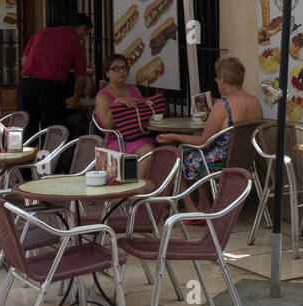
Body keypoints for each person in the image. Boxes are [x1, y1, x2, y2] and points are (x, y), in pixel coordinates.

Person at [156, 57, 261, 209]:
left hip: (220, 163)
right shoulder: (254, 101)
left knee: (177, 155)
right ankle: (204, 204)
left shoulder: (224, 104)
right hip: (246, 161)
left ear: (222, 79)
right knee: (198, 155)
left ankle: (191, 207)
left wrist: (174, 136)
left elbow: (203, 141)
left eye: (217, 78)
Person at [17, 13, 92, 141]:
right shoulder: (75, 44)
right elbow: (80, 80)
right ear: (81, 28)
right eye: (86, 34)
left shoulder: (41, 33)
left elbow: (24, 62)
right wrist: (76, 98)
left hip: (26, 84)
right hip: (50, 88)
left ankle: (28, 158)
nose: (83, 38)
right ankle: (50, 159)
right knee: (52, 129)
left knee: (27, 128)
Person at [93, 53, 156, 154]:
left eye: (124, 68)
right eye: (116, 68)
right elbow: (108, 125)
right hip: (117, 139)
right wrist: (117, 103)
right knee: (148, 150)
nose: (122, 71)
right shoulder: (102, 96)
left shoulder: (133, 89)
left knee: (172, 144)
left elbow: (142, 113)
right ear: (107, 73)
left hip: (139, 134)